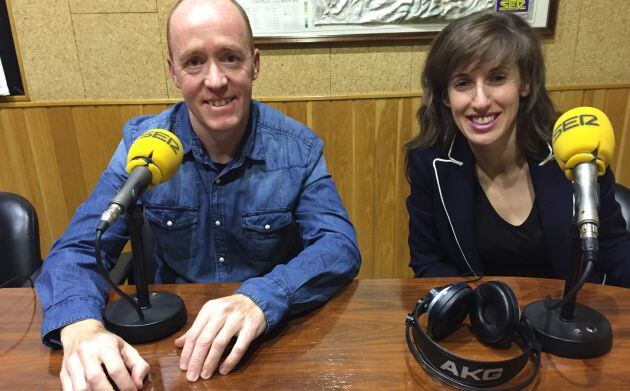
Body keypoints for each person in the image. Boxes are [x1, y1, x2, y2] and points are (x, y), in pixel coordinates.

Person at [35, 0, 361, 389]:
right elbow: (80, 246)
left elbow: (339, 245)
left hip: (271, 341)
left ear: (254, 63)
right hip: (171, 347)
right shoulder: (141, 146)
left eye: (229, 58)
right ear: (173, 72)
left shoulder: (299, 149)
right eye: (193, 62)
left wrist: (262, 297)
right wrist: (80, 327)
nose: (216, 80)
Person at [405, 11, 630, 285]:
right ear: (445, 96)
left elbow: (615, 247)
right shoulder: (429, 164)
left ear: (524, 84)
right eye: (463, 83)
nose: (480, 101)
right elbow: (428, 262)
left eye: (497, 78)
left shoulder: (576, 147)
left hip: (572, 319)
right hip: (482, 320)